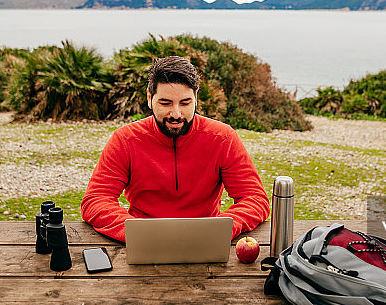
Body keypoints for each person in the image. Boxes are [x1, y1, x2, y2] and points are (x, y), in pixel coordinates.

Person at [80, 56, 270, 242]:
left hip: (205, 240)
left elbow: (254, 198)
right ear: (149, 98)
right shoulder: (125, 140)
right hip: (145, 242)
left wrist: (220, 229)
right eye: (165, 103)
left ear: (196, 98)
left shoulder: (223, 137)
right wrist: (137, 232)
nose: (176, 114)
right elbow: (96, 200)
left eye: (185, 103)